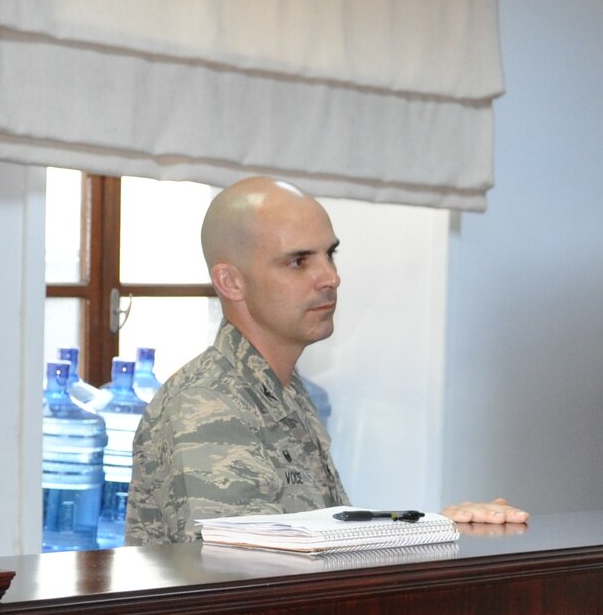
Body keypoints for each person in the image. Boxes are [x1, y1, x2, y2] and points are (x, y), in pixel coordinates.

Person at [123, 176, 527, 544]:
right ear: (231, 282)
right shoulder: (207, 404)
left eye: (329, 254)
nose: (331, 277)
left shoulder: (282, 389)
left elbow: (319, 543)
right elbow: (247, 574)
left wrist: (436, 526)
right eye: (299, 261)